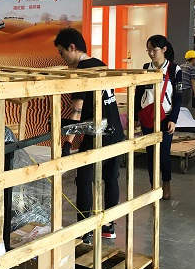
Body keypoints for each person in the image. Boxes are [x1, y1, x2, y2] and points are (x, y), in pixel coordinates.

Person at [54, 28, 125, 241]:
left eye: (62, 52)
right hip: (115, 130)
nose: (62, 58)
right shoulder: (100, 63)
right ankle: (108, 227)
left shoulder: (82, 71)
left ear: (72, 47)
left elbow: (77, 110)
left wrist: (67, 143)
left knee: (84, 179)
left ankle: (84, 229)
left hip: (98, 133)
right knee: (111, 178)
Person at [135, 35, 182, 200]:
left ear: (164, 49)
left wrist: (173, 119)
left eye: (154, 50)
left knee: (163, 154)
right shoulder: (145, 68)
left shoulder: (174, 69)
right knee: (150, 154)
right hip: (148, 117)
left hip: (165, 118)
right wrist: (136, 116)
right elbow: (138, 94)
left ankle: (166, 183)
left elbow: (178, 97)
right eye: (148, 50)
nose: (151, 53)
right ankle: (153, 185)